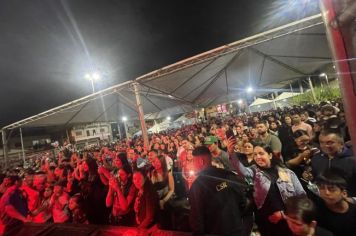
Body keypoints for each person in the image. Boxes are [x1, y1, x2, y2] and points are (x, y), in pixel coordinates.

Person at [228, 141, 306, 236]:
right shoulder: (254, 172)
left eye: (261, 153)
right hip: (266, 222)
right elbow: (242, 171)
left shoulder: (288, 173)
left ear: (270, 155)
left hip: (289, 220)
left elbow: (301, 197)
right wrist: (231, 154)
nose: (257, 157)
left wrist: (283, 214)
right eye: (255, 154)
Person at [189, 146, 248, 236]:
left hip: (216, 231)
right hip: (237, 228)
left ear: (201, 161)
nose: (192, 164)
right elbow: (242, 199)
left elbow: (197, 217)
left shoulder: (198, 186)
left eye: (193, 161)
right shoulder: (228, 174)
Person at [311, 129, 356, 196]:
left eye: (330, 142)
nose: (325, 146)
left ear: (341, 144)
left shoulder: (353, 161)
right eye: (322, 142)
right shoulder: (316, 159)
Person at [312, 169, 356, 236]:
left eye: (331, 189)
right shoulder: (316, 209)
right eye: (322, 188)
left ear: (344, 193)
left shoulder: (353, 212)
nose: (326, 193)